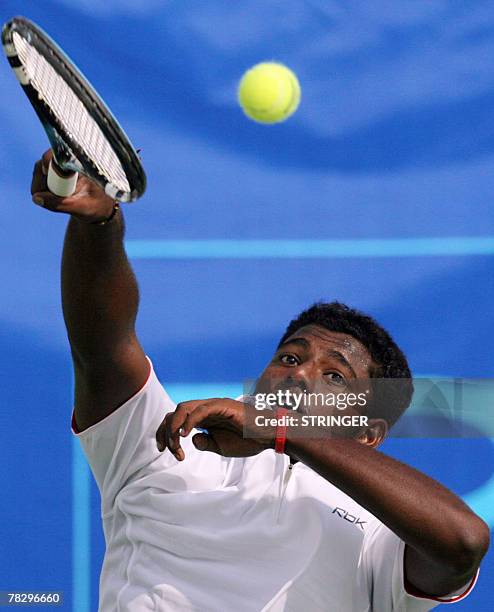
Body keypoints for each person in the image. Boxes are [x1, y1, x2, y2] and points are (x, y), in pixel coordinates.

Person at [31, 150, 489, 611]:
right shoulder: (165, 440)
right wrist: (100, 225)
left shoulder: (380, 533)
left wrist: (285, 434)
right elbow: (102, 348)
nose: (300, 374)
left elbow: (464, 542)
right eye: (290, 356)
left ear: (367, 433)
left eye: (334, 376)